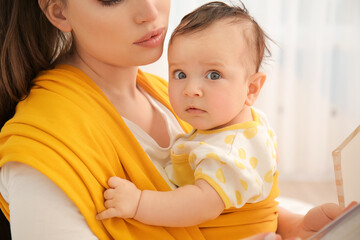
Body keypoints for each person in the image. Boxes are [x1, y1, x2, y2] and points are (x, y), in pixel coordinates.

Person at [0, 0, 354, 240]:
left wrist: (293, 226)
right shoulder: (44, 148)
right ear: (59, 11)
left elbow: (221, 210)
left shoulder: (174, 99)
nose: (150, 12)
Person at [96, 2, 280, 238]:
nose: (191, 89)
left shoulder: (231, 150)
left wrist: (139, 203)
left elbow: (200, 204)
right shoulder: (231, 127)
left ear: (251, 88)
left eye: (214, 75)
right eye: (180, 74)